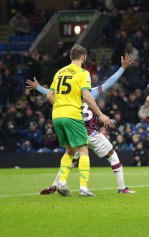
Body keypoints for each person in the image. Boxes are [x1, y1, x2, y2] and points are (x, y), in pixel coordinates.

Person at [26, 50, 133, 196]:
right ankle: (121, 188)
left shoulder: (63, 81)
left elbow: (52, 94)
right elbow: (108, 83)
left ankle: (55, 184)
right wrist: (122, 68)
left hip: (69, 125)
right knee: (111, 154)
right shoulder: (90, 91)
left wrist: (38, 88)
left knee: (71, 155)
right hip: (89, 131)